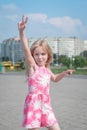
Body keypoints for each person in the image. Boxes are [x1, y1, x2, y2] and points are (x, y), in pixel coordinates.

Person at [18, 16, 75, 130]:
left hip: (46, 105)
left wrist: (64, 73)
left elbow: (54, 79)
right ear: (33, 56)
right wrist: (21, 32)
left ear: (48, 55)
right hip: (34, 105)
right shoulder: (33, 67)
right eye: (36, 54)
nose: (40, 57)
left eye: (43, 54)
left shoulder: (47, 69)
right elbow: (25, 50)